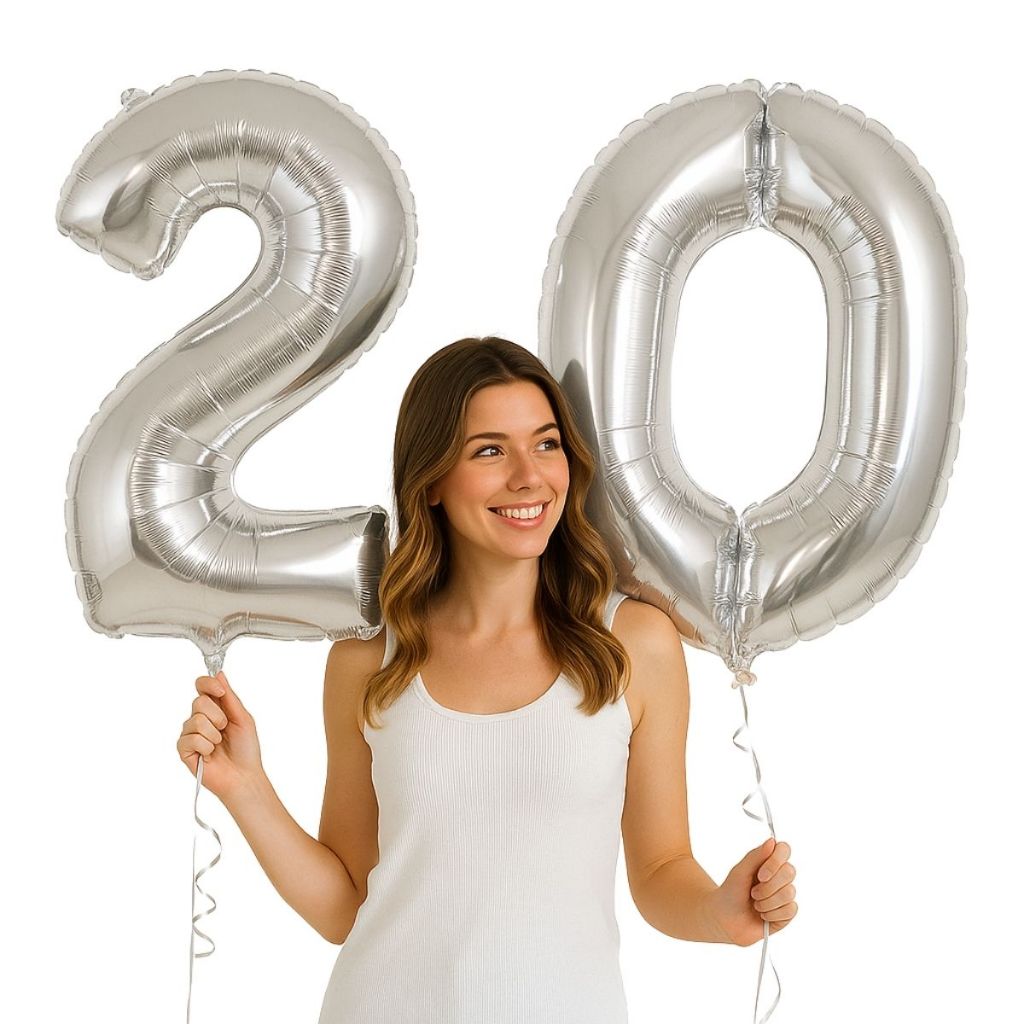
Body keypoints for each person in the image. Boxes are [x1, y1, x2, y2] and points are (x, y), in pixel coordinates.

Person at [177, 336, 798, 1022]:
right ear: (431, 481)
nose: (530, 477)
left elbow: (659, 870)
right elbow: (345, 905)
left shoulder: (633, 644)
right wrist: (245, 787)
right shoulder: (367, 660)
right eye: (489, 451)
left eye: (547, 444)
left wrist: (721, 912)